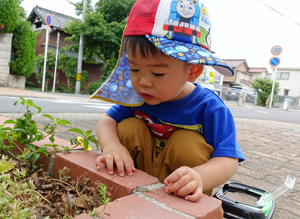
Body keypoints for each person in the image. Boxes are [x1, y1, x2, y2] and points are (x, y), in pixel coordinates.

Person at [92, 0, 245, 202]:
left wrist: (200, 176)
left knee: (188, 143)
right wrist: (112, 146)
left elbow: (228, 159)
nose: (143, 82)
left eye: (157, 73)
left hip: (181, 193)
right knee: (128, 127)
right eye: (135, 69)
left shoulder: (210, 107)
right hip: (134, 178)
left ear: (192, 70)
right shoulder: (138, 97)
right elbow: (106, 120)